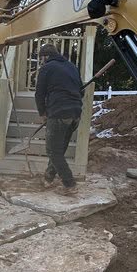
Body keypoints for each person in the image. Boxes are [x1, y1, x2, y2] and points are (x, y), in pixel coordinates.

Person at [34, 43, 83, 195]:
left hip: (59, 113)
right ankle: (48, 178)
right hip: (75, 113)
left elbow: (39, 93)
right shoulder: (71, 66)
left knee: (53, 151)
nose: (41, 61)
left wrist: (42, 113)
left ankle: (70, 184)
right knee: (59, 150)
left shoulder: (47, 68)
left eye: (41, 58)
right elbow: (81, 90)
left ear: (45, 56)